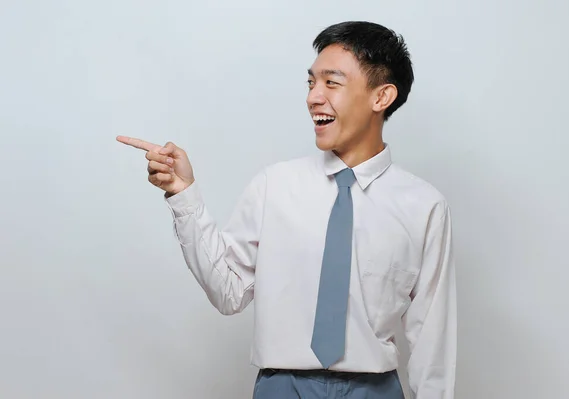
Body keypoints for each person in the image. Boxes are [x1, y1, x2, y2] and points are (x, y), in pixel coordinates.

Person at [117, 21, 456, 399]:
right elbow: (228, 292)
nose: (314, 97)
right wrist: (183, 194)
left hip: (375, 389)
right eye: (311, 83)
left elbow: (431, 336)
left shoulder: (424, 206)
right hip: (281, 387)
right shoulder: (274, 186)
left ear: (381, 97)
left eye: (332, 83)